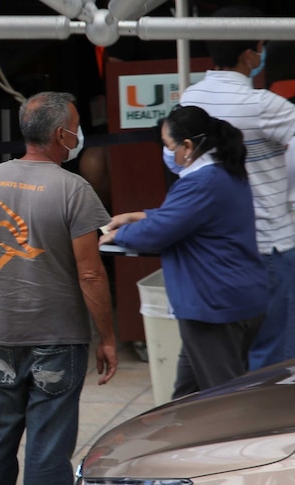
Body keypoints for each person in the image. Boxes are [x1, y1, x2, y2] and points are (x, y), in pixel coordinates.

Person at [0, 91, 118, 484]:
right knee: (49, 446)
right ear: (62, 135)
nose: (79, 135)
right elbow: (91, 274)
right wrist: (108, 337)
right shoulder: (74, 189)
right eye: (77, 129)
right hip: (60, 339)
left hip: (4, 335)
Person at [101, 106, 267, 398]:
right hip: (228, 298)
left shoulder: (201, 182)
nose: (167, 153)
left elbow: (160, 231)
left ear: (188, 145)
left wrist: (118, 234)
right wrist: (137, 216)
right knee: (185, 397)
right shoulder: (223, 172)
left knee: (224, 399)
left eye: (168, 146)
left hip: (213, 305)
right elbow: (182, 217)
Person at [178, 5, 295, 371]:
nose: (262, 55)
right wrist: (290, 199)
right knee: (271, 359)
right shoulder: (264, 105)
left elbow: (176, 165)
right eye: (260, 47)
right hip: (269, 243)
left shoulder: (189, 101)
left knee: (222, 357)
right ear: (249, 55)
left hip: (214, 250)